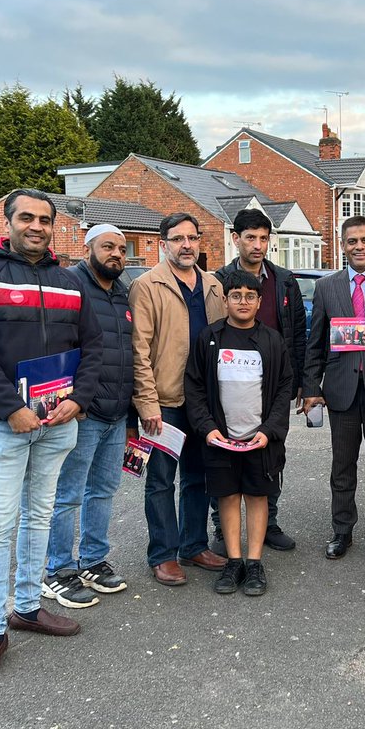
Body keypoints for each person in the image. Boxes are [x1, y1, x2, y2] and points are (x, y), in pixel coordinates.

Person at [0, 188, 104, 681]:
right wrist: (10, 408)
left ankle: (28, 607)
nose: (36, 226)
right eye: (27, 218)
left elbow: (94, 348)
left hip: (58, 422)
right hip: (6, 424)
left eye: (44, 219)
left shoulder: (68, 281)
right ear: (9, 222)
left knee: (39, 514)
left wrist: (79, 400)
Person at [131, 213, 228, 586]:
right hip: (165, 400)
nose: (186, 245)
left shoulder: (213, 285)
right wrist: (147, 402)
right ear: (163, 244)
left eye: (192, 237)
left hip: (203, 401)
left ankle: (193, 545)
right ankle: (163, 555)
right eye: (177, 238)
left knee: (198, 477)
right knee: (160, 480)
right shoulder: (146, 285)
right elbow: (139, 348)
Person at [301, 216, 365, 565]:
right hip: (341, 390)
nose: (359, 247)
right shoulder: (327, 287)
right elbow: (314, 343)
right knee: (342, 467)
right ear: (342, 245)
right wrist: (312, 388)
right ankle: (342, 531)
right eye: (352, 241)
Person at [42, 225, 135, 609]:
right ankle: (58, 570)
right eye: (107, 247)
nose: (116, 254)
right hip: (82, 412)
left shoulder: (122, 292)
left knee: (104, 490)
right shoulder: (70, 285)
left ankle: (93, 560)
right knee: (67, 495)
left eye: (121, 249)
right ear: (88, 248)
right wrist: (74, 401)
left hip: (116, 411)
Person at [185, 271, 294, 596]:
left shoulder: (272, 340)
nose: (243, 301)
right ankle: (234, 561)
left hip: (260, 440)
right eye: (236, 295)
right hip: (221, 439)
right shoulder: (209, 338)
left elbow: (284, 386)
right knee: (228, 498)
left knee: (258, 497)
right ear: (225, 299)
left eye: (250, 296)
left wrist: (270, 430)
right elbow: (194, 386)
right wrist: (207, 429)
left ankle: (255, 562)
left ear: (260, 302)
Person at [210, 209, 305, 553]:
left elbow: (296, 333)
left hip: (273, 383)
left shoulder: (285, 280)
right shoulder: (218, 280)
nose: (258, 245)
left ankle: (270, 523)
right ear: (235, 239)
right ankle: (223, 529)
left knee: (270, 454)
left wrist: (300, 383)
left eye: (264, 238)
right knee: (225, 455)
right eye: (250, 237)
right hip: (230, 379)